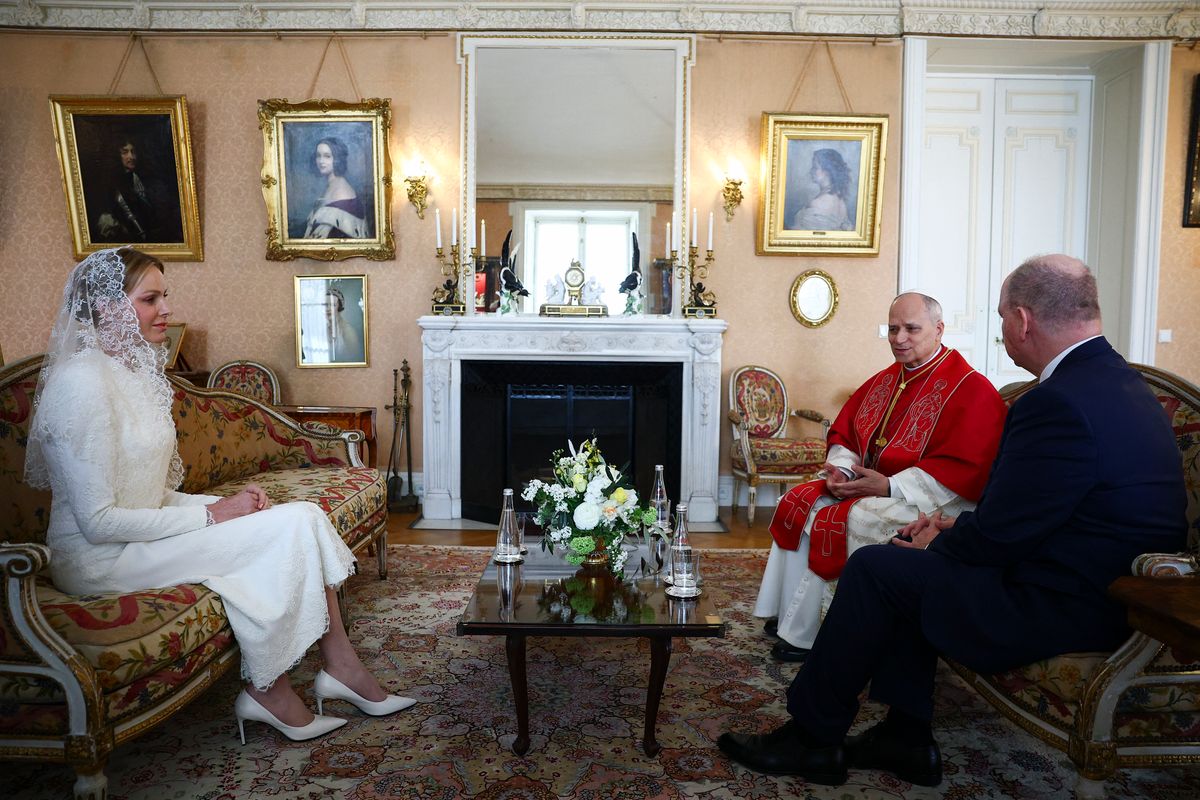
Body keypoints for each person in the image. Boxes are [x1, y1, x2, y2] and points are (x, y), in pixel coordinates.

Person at [718, 255, 1187, 787]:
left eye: (1002, 318)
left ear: (1023, 321)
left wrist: (939, 542)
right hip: (1102, 588)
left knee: (879, 569)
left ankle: (811, 738)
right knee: (904, 562)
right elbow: (1035, 514)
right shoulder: (1121, 386)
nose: (1003, 332)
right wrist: (945, 531)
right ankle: (905, 738)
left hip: (1066, 603)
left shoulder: (1055, 402)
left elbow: (1005, 535)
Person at [24, 248, 411, 744]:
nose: (166, 309)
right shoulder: (80, 386)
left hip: (136, 537)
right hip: (100, 558)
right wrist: (213, 516)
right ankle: (271, 689)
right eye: (150, 298)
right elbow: (100, 522)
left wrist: (225, 507)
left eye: (164, 296)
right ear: (106, 309)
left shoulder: (136, 376)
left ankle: (337, 665)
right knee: (292, 525)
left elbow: (153, 494)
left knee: (305, 515)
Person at [754, 292, 1006, 662]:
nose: (899, 338)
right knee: (799, 499)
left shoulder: (971, 388)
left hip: (935, 499)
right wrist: (842, 468)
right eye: (893, 329)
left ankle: (820, 632)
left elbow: (967, 466)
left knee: (849, 516)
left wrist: (889, 485)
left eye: (911, 328)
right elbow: (847, 431)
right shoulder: (888, 379)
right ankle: (788, 614)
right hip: (875, 484)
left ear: (938, 329)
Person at [94, 137, 182, 244]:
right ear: (116, 156)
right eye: (125, 152)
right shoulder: (111, 185)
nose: (131, 156)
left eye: (133, 151)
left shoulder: (147, 179)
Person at [303, 137, 368, 239]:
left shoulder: (341, 191)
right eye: (318, 156)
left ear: (337, 159)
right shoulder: (331, 184)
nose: (321, 161)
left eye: (327, 156)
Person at [791, 148, 854, 231]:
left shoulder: (818, 203)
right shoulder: (839, 199)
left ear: (827, 171)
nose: (811, 171)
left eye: (815, 167)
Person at [325, 285, 365, 363]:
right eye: (326, 305)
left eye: (333, 305)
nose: (328, 309)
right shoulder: (322, 329)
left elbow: (354, 359)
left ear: (339, 307)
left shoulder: (348, 331)